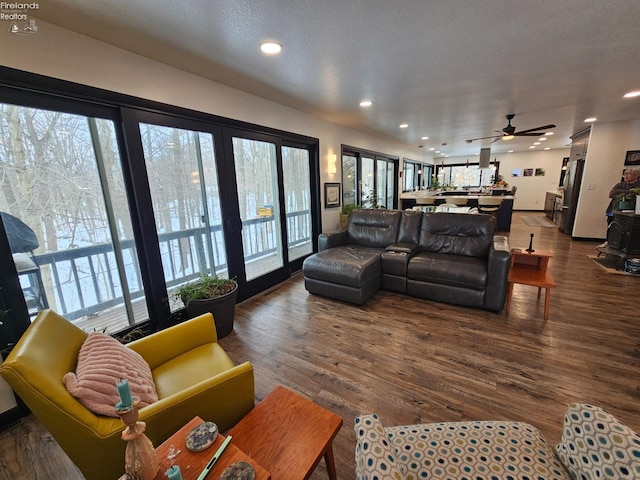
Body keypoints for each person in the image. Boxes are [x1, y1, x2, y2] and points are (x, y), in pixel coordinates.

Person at [598, 168, 640, 248]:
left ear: (636, 176)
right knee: (611, 225)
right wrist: (628, 191)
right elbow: (611, 194)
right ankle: (608, 241)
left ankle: (623, 245)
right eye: (625, 174)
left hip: (630, 212)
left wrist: (620, 192)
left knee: (627, 229)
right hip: (614, 209)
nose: (626, 176)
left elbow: (635, 194)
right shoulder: (620, 184)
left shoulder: (638, 186)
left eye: (629, 174)